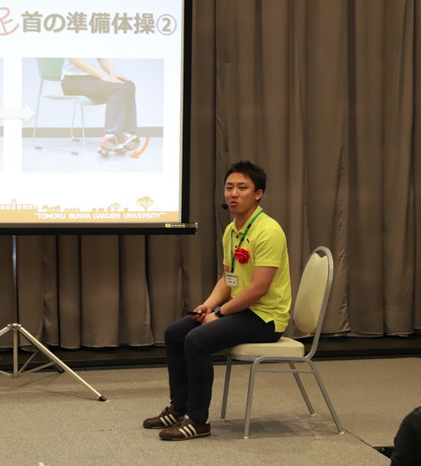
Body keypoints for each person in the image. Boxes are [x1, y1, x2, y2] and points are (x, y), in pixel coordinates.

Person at [143, 160, 292, 440]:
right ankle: (179, 408)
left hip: (266, 317)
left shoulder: (268, 231)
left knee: (197, 340)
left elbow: (259, 288)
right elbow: (228, 278)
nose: (233, 194)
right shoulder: (232, 230)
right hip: (240, 310)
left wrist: (220, 314)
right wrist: (208, 305)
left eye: (242, 188)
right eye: (229, 187)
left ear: (258, 194)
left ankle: (198, 420)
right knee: (175, 332)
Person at [60, 58, 139, 152]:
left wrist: (112, 73)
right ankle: (111, 136)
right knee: (118, 88)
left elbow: (101, 58)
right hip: (72, 81)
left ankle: (125, 134)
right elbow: (74, 60)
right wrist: (102, 76)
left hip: (92, 79)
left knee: (129, 85)